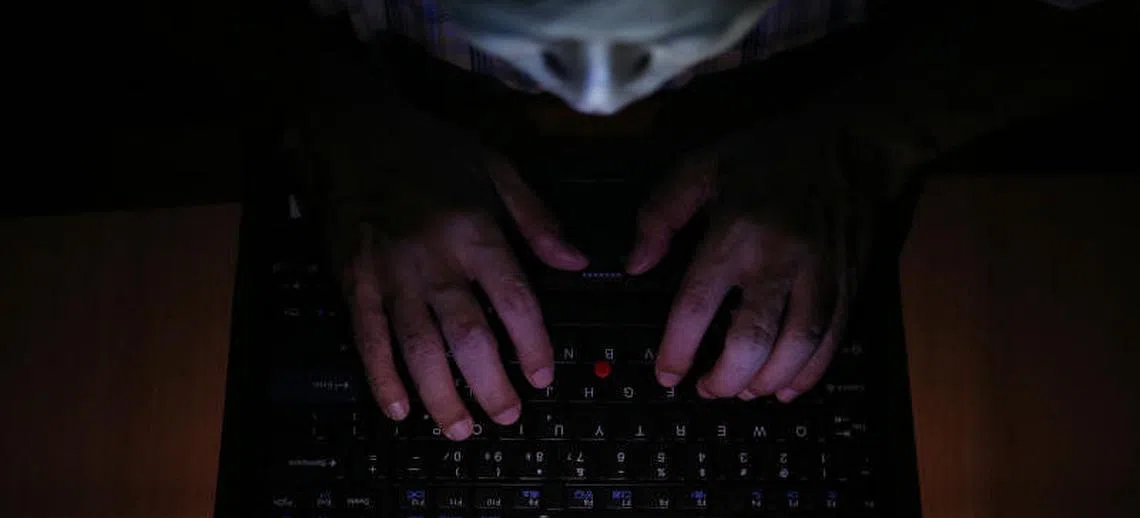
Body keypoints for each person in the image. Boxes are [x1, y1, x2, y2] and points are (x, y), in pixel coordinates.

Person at [282, 0, 1130, 441]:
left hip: (825, 99)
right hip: (398, 106)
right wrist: (336, 119)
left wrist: (869, 136)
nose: (599, 96)